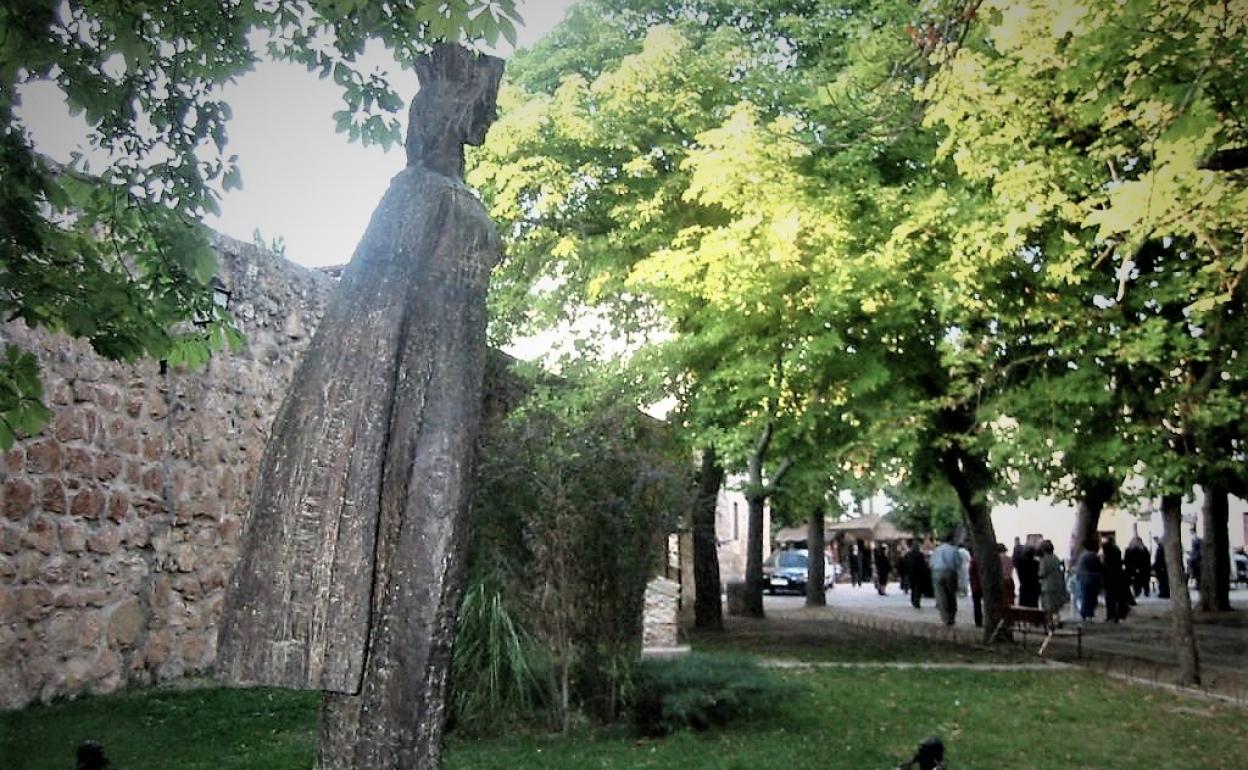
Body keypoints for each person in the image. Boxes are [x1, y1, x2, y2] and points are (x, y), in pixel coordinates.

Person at [930, 534, 963, 625]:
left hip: (937, 573)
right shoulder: (954, 549)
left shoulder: (936, 550)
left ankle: (945, 618)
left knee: (941, 596)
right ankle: (951, 617)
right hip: (950, 572)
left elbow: (931, 563)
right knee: (951, 595)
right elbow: (958, 563)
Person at [1037, 540, 1067, 628]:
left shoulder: (1044, 560)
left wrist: (1038, 575)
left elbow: (1042, 573)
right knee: (1056, 606)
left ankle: (1050, 623)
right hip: (1057, 584)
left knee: (1048, 607)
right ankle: (1058, 620)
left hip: (1047, 586)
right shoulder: (1056, 558)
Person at [1101, 535, 1129, 622]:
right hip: (1117, 576)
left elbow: (1105, 564)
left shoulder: (1107, 551)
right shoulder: (1116, 550)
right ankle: (1117, 615)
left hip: (1110, 577)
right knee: (1117, 598)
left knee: (1110, 598)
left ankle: (1111, 615)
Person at [1076, 543, 1104, 622]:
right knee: (1091, 598)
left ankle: (1084, 613)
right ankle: (1088, 613)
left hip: (1083, 578)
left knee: (1085, 597)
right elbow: (1099, 567)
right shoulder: (1093, 556)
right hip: (1092, 579)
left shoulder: (1082, 555)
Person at [902, 538, 930, 609]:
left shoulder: (908, 555)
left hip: (911, 574)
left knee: (913, 587)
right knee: (918, 588)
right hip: (919, 574)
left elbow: (904, 564)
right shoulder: (920, 555)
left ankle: (913, 600)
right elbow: (923, 565)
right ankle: (916, 601)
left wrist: (905, 573)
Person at [1016, 541, 1041, 608]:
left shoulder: (1020, 563)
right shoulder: (1037, 563)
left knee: (1024, 607)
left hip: (1024, 586)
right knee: (1034, 605)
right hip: (1034, 587)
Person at [969, 552, 983, 628]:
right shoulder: (987, 558)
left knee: (977, 604)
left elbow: (971, 572)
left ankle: (978, 621)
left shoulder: (974, 559)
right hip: (984, 584)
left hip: (976, 585)